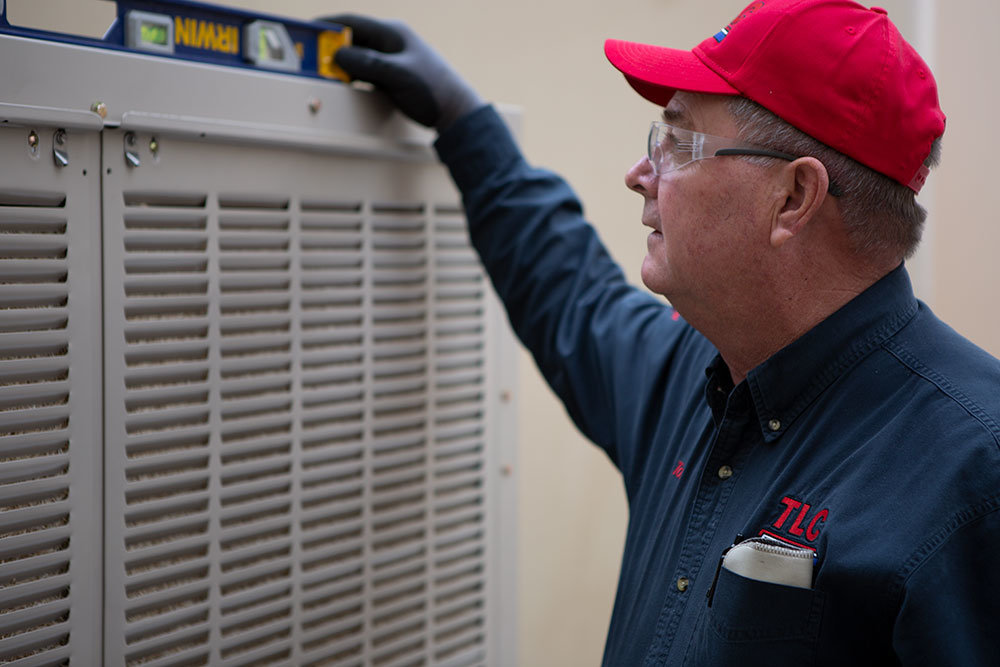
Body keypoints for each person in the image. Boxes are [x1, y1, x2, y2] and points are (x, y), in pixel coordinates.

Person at [325, 1, 1000, 664]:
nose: (640, 174)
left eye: (678, 142)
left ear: (793, 198)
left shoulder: (972, 474)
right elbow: (572, 295)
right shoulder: (696, 372)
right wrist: (464, 122)